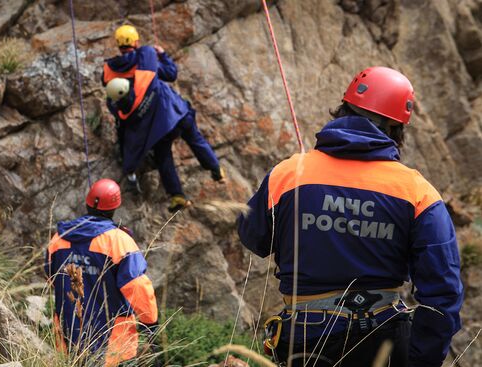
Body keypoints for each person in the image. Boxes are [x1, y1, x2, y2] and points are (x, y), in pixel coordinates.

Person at [236, 67, 463, 367]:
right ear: (398, 129)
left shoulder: (289, 174)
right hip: (383, 341)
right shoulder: (417, 192)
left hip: (304, 340)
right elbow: (443, 295)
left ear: (341, 111)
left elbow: (253, 237)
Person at [102, 24, 225, 212]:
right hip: (174, 111)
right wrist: (163, 55)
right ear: (135, 41)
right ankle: (216, 169)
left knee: (163, 157)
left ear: (118, 45)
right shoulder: (146, 58)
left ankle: (177, 196)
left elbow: (111, 94)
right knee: (195, 139)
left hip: (153, 127)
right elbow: (171, 74)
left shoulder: (111, 69)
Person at [45, 178, 159, 366]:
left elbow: (52, 277)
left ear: (87, 202)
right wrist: (150, 323)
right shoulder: (118, 241)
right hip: (113, 343)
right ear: (115, 207)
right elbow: (137, 286)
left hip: (69, 335)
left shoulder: (58, 239)